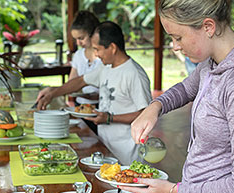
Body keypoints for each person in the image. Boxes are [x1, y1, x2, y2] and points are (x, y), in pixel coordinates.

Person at [120, 0, 234, 193]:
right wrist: (154, 107)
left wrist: (173, 191)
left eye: (178, 37)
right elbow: (187, 87)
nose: (174, 46)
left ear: (208, 27)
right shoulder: (212, 62)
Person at [36, 21, 152, 165]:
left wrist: (109, 118)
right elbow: (80, 81)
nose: (95, 54)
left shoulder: (134, 74)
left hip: (128, 154)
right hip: (106, 148)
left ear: (112, 48)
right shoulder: (106, 68)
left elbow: (146, 114)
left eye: (97, 49)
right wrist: (52, 93)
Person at [68, 10, 103, 135]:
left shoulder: (104, 56)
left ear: (93, 34)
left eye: (81, 38)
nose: (78, 43)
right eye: (76, 39)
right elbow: (72, 83)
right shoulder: (78, 56)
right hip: (80, 108)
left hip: (101, 109)